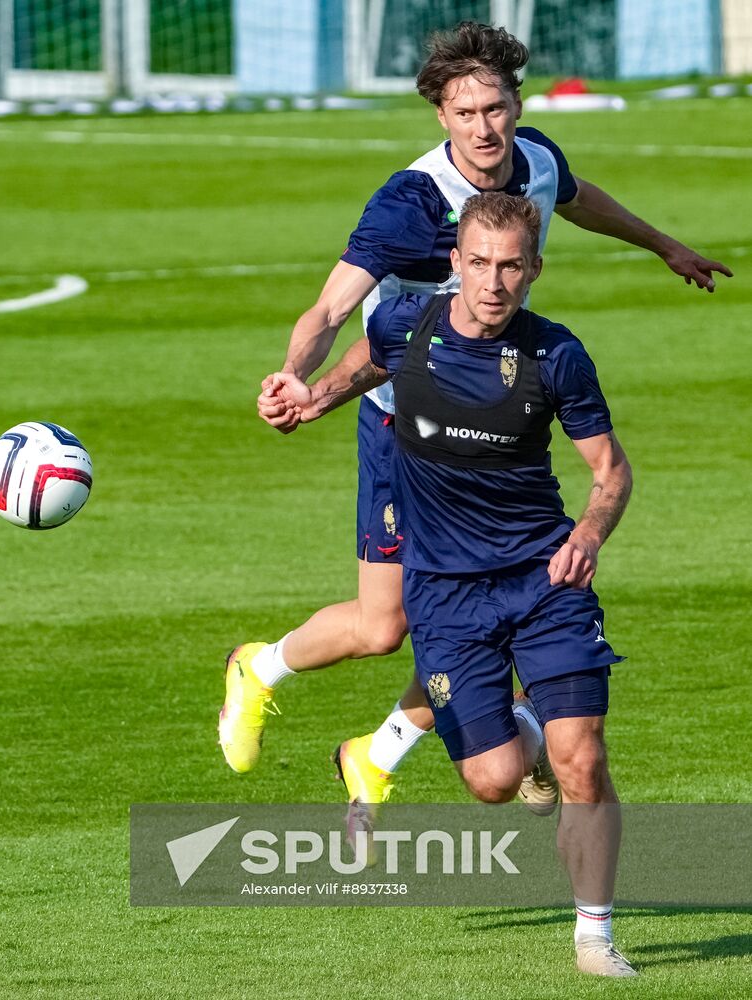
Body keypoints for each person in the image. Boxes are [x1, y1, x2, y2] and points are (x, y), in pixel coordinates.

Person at [218, 22, 730, 797]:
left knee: (488, 598)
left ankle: (390, 753)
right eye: (465, 114)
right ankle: (262, 667)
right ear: (442, 118)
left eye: (494, 108)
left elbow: (580, 196)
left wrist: (663, 245)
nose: (484, 128)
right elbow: (330, 309)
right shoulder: (412, 202)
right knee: (384, 626)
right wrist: (295, 376)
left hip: (496, 420)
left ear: (516, 105)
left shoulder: (536, 161)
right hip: (404, 426)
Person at [264, 192, 636, 977]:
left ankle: (595, 937)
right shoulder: (407, 326)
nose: (494, 283)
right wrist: (310, 397)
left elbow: (609, 471)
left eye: (511, 267)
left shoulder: (556, 355)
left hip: (543, 578)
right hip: (445, 593)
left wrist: (589, 535)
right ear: (455, 265)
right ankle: (521, 732)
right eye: (478, 264)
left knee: (583, 756)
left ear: (533, 268)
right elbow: (359, 370)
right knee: (494, 781)